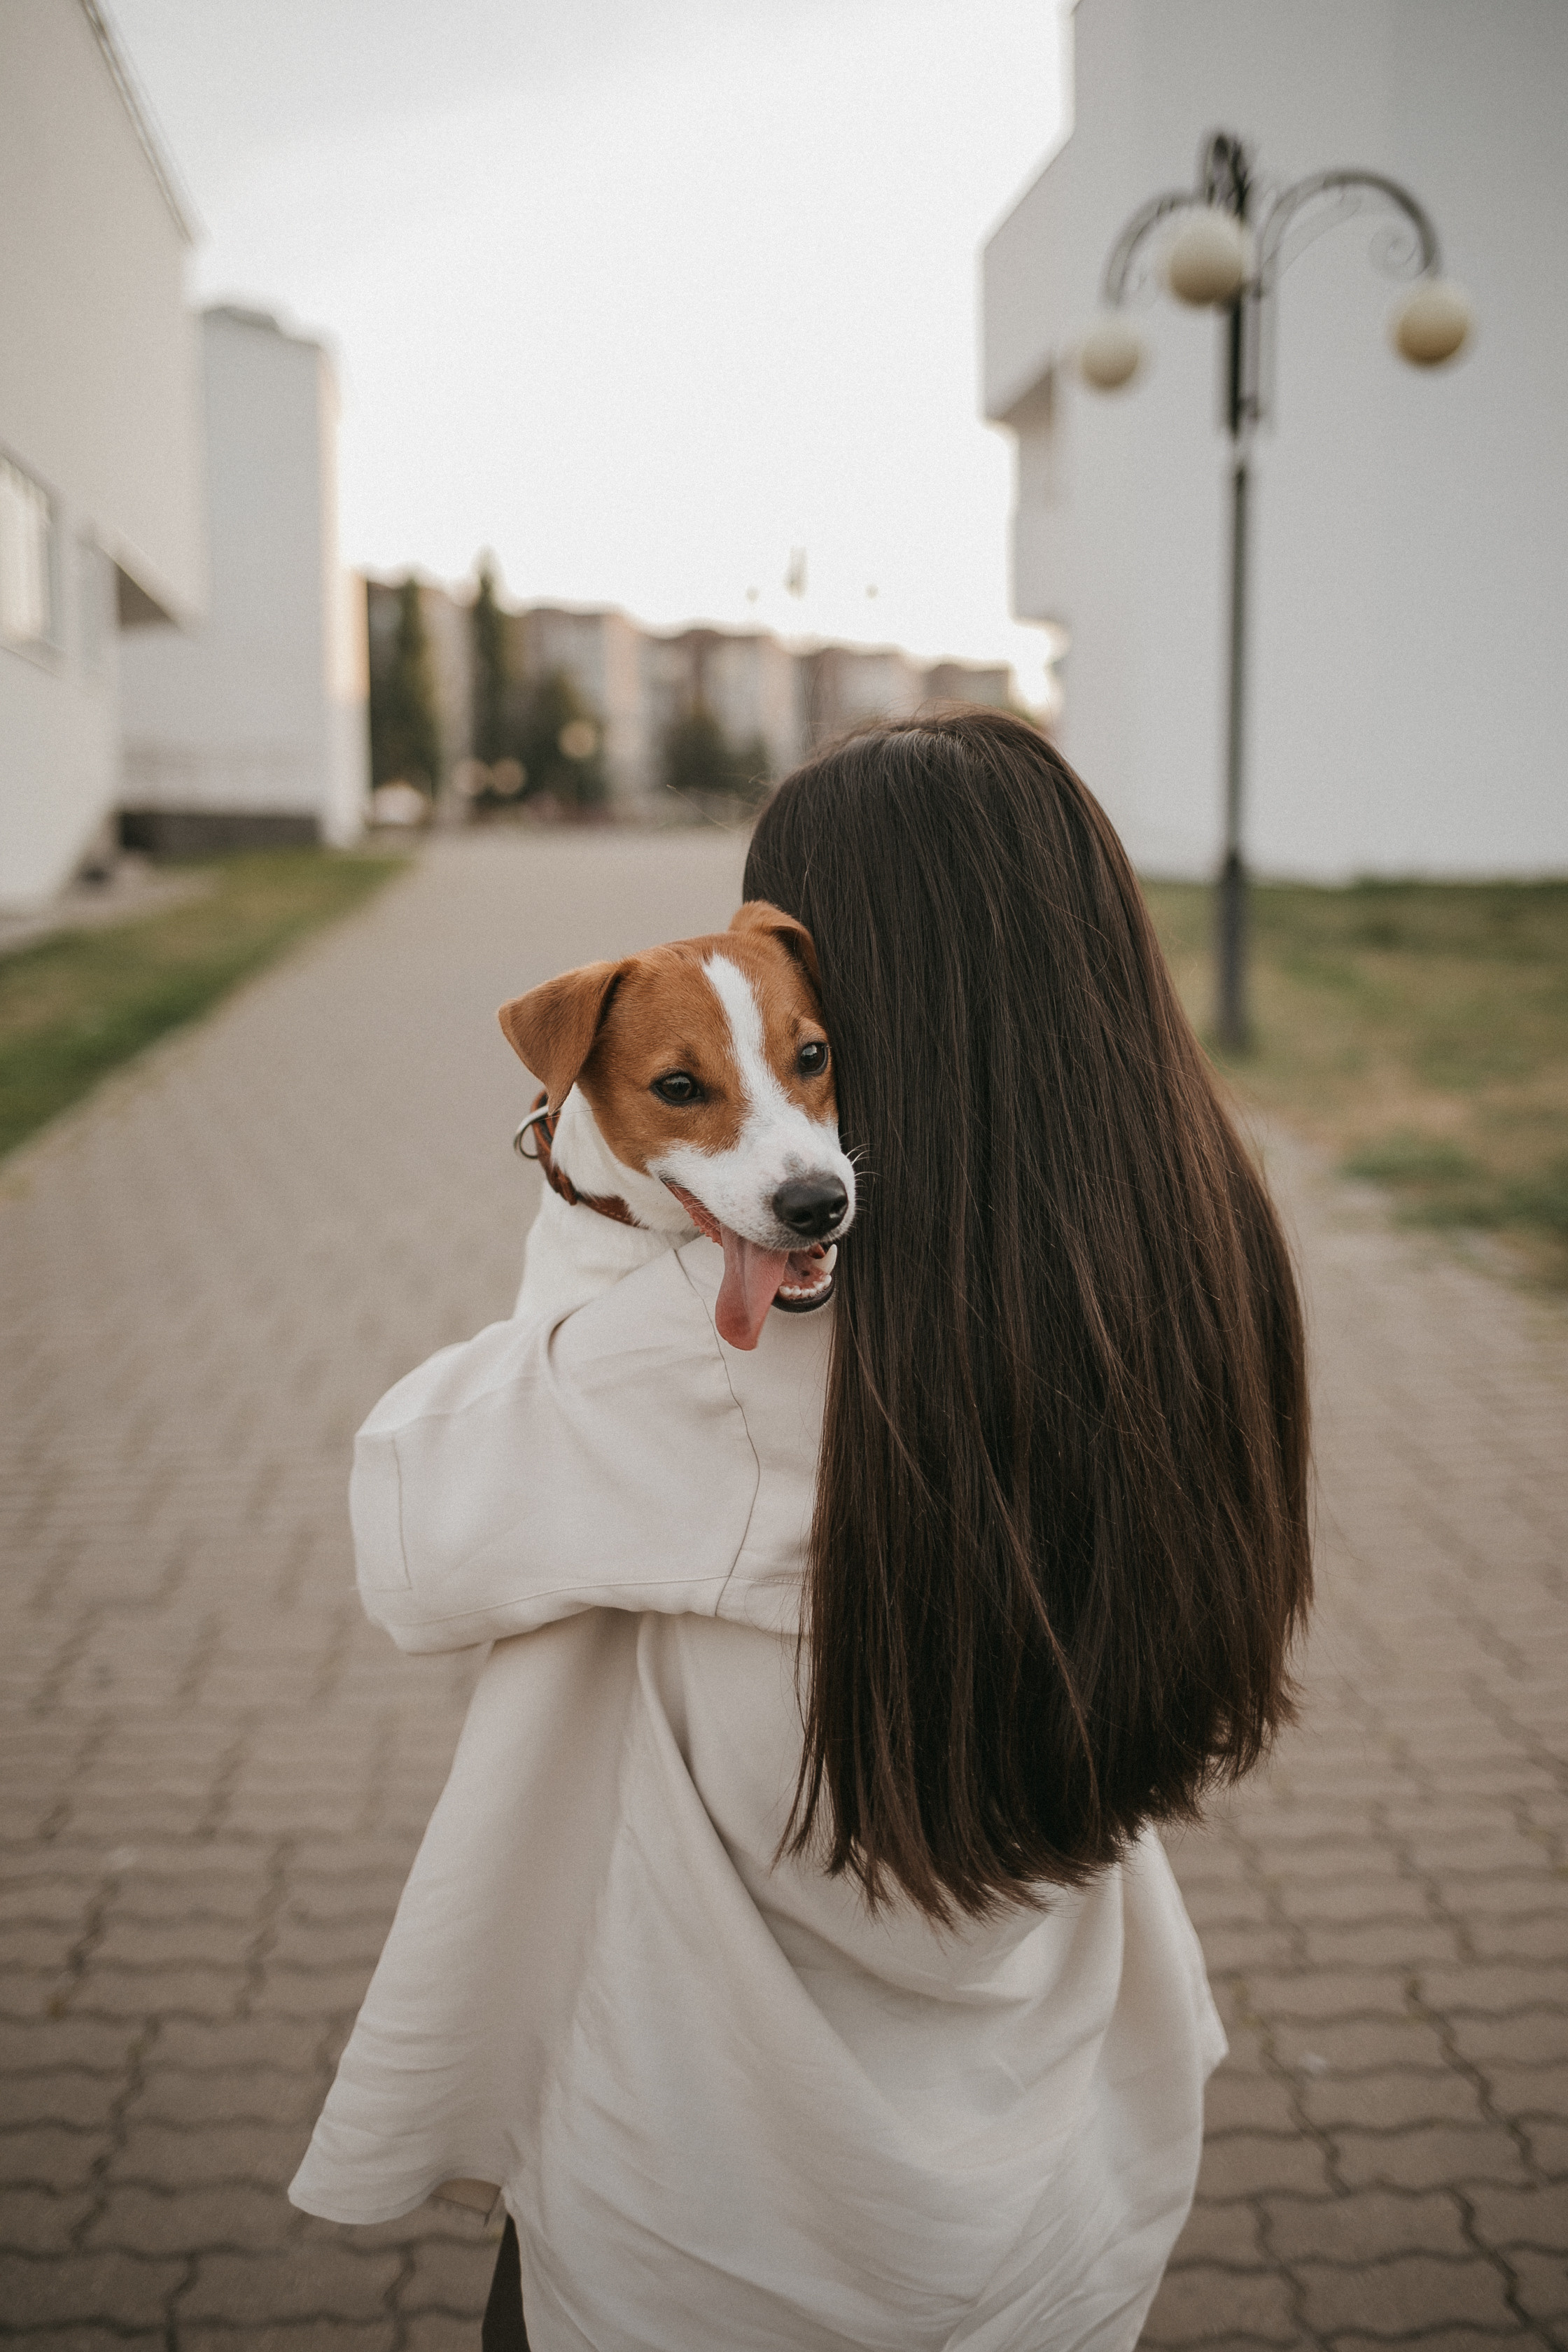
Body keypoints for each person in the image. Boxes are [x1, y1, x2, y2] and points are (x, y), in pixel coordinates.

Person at [290, 710, 1311, 2351]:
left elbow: (411, 1525)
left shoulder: (708, 1363)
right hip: (1055, 2169)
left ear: (865, 994)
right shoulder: (1196, 1264)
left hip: (727, 2203)